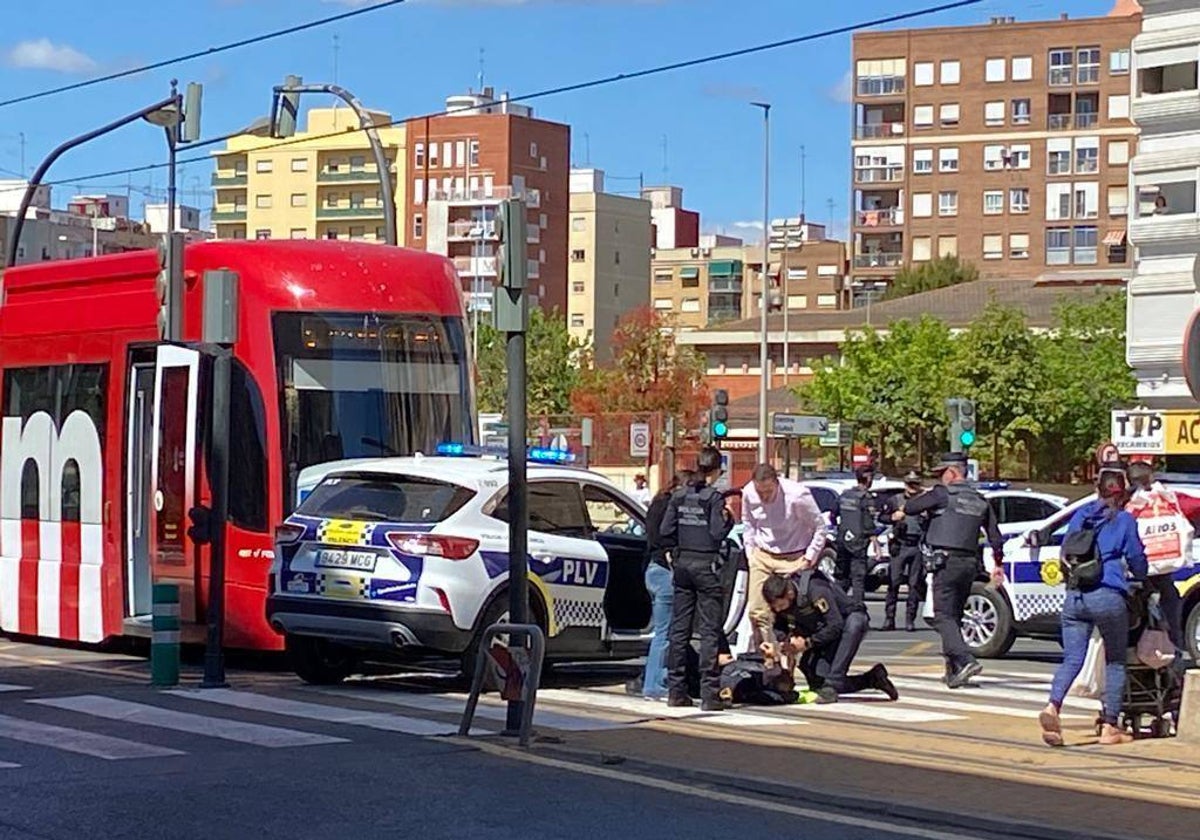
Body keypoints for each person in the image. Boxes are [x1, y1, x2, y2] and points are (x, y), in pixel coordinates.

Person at [1040, 469, 1147, 747]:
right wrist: (1142, 576)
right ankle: (1111, 725)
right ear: (1122, 492)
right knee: (1114, 660)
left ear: (1097, 488)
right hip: (1107, 595)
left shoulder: (1081, 515)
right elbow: (1137, 559)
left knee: (1072, 659)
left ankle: (1053, 707)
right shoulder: (1124, 520)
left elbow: (1065, 550)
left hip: (1075, 596)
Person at [895, 452, 1004, 689]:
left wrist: (923, 500)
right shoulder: (979, 499)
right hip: (968, 564)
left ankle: (965, 660)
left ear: (952, 472)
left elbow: (912, 507)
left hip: (945, 562)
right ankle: (953, 670)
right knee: (954, 616)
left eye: (941, 474)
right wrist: (998, 564)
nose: (939, 478)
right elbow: (995, 536)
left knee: (942, 615)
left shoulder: (942, 494)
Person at [660, 447, 734, 711]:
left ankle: (676, 690)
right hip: (706, 566)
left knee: (679, 630)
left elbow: (665, 529)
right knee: (709, 630)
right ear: (715, 471)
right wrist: (728, 520)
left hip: (682, 566)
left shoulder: (679, 496)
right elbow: (716, 533)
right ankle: (709, 693)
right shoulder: (713, 498)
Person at [762, 572, 898, 704]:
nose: (778, 610)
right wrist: (783, 643)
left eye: (780, 606)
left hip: (847, 624)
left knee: (833, 681)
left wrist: (807, 643)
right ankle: (873, 679)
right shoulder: (782, 604)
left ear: (789, 594)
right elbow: (780, 626)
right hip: (823, 633)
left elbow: (835, 625)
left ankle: (838, 678)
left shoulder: (815, 591)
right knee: (819, 682)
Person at [740, 463, 827, 663]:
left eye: (768, 491)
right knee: (757, 611)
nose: (764, 497)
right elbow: (748, 523)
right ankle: (769, 660)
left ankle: (789, 664)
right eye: (760, 492)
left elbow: (820, 527)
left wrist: (808, 557)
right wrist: (750, 551)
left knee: (791, 613)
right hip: (763, 555)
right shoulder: (748, 493)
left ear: (777, 484)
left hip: (794, 556)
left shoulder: (797, 495)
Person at [626, 470, 692, 700]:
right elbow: (668, 539)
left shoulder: (656, 504)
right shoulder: (671, 507)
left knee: (661, 631)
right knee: (666, 633)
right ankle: (655, 684)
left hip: (652, 570)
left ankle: (653, 680)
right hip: (665, 573)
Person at [1125, 462, 1200, 658]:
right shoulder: (1171, 498)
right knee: (1171, 632)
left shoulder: (1127, 505)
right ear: (1152, 477)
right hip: (1163, 578)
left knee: (1132, 638)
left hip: (1134, 580)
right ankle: (1172, 676)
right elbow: (1196, 506)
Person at [878, 471, 928, 632]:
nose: (912, 488)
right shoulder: (895, 500)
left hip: (917, 545)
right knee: (894, 583)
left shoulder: (925, 502)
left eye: (916, 484)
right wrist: (893, 517)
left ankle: (910, 620)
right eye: (909, 484)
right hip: (900, 544)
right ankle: (889, 619)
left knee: (914, 585)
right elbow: (881, 517)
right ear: (905, 484)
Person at [830, 466, 879, 609]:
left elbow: (833, 514)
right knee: (858, 577)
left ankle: (836, 604)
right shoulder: (866, 498)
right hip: (858, 542)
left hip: (842, 540)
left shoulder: (845, 495)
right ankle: (857, 609)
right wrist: (875, 543)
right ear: (868, 479)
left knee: (841, 576)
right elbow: (869, 523)